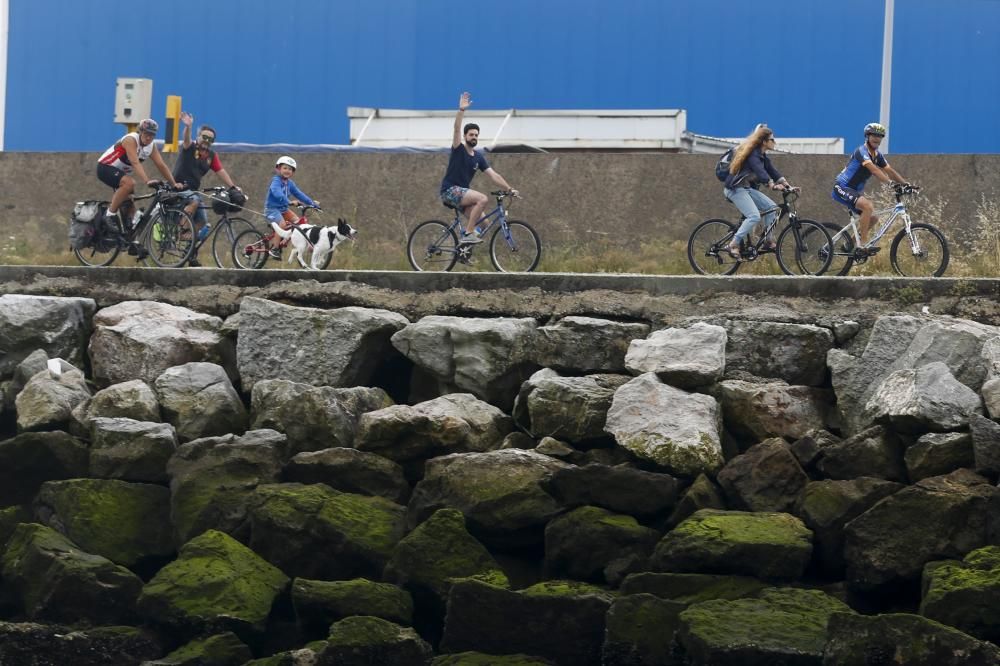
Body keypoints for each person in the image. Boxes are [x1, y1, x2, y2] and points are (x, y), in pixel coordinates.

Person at [440, 91, 518, 243]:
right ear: (465, 136)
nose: (474, 137)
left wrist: (509, 189)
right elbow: (456, 128)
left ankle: (463, 252)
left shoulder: (478, 157)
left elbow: (494, 175)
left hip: (463, 195)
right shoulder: (458, 149)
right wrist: (461, 110)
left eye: (476, 135)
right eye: (471, 135)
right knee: (482, 199)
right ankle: (468, 233)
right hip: (450, 191)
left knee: (484, 224)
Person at [96, 118, 180, 257]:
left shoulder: (150, 146)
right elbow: (135, 162)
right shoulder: (131, 140)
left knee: (131, 210)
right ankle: (109, 215)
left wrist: (173, 183)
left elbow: (161, 165)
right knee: (130, 183)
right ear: (140, 132)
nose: (149, 137)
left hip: (121, 175)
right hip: (105, 168)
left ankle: (131, 243)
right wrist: (147, 180)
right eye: (146, 134)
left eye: (152, 135)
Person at [172, 112, 242, 266]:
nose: (207, 141)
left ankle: (188, 253)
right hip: (178, 187)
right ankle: (180, 231)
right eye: (204, 137)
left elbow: (220, 171)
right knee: (195, 201)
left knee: (203, 222)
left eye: (210, 139)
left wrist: (232, 187)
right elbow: (185, 139)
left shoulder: (211, 155)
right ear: (198, 137)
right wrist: (188, 126)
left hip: (193, 191)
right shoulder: (190, 147)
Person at [832, 122, 909, 249]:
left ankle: (849, 245)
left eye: (880, 136)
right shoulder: (861, 151)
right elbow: (875, 170)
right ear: (867, 136)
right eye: (874, 135)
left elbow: (890, 171)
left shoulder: (877, 155)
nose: (877, 138)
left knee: (873, 218)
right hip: (842, 187)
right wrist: (890, 184)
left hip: (853, 191)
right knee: (867, 207)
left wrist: (907, 185)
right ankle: (862, 244)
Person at [723, 124, 791, 259]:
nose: (774, 142)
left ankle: (768, 241)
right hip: (734, 189)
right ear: (764, 142)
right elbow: (761, 172)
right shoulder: (753, 154)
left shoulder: (763, 156)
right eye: (772, 140)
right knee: (754, 216)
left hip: (745, 189)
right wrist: (771, 184)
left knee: (772, 208)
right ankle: (733, 244)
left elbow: (772, 171)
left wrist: (787, 185)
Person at [264, 156, 320, 259]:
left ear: (293, 172)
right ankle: (275, 249)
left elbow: (300, 194)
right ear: (278, 169)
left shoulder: (290, 184)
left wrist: (312, 203)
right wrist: (289, 202)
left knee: (299, 223)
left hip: (284, 210)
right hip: (272, 209)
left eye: (290, 169)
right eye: (285, 168)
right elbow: (277, 193)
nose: (287, 171)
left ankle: (307, 245)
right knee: (282, 224)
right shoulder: (276, 181)